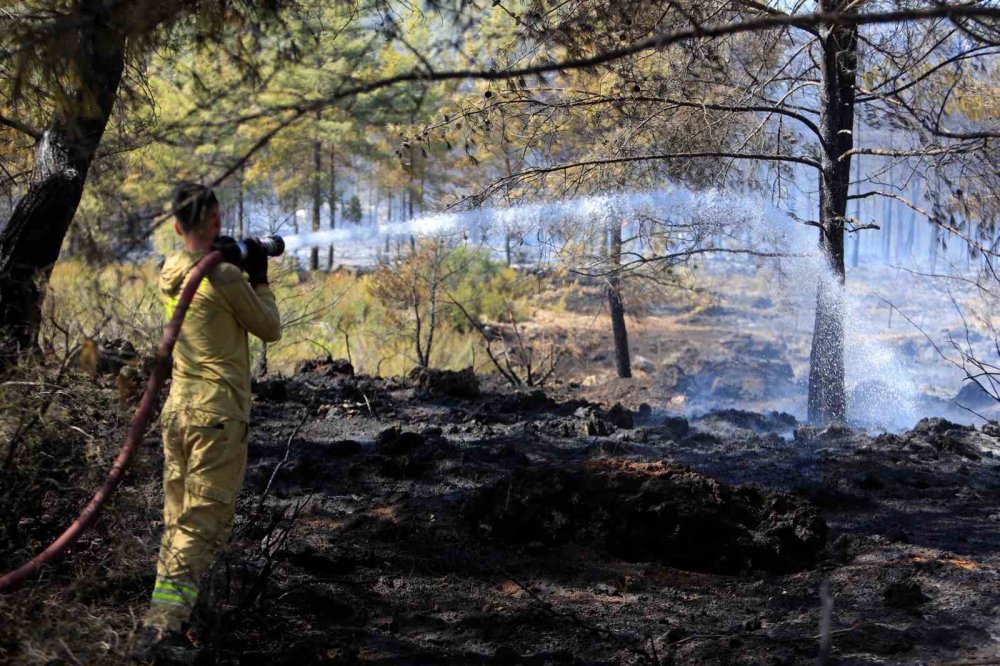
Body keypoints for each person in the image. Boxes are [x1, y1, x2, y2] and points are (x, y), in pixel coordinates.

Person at [132, 183, 281, 661]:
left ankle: (172, 618)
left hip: (179, 413)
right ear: (216, 220)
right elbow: (270, 329)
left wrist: (229, 258)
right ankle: (161, 631)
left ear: (177, 226)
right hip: (218, 414)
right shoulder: (225, 279)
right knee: (201, 525)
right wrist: (257, 272)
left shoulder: (170, 271)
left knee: (179, 523)